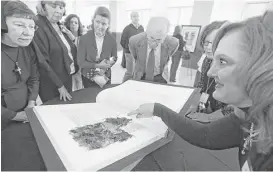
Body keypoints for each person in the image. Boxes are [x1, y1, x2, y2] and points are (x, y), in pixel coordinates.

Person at [128, 11, 273, 171]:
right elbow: (206, 135)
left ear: (261, 68)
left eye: (223, 61)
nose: (211, 71)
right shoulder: (247, 117)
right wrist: (157, 109)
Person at [1, 1, 46, 170]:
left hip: (26, 113)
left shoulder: (27, 49)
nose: (28, 32)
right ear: (3, 25)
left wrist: (31, 103)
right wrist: (15, 116)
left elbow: (34, 78)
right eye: (19, 25)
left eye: (32, 26)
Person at [35, 1, 79, 102]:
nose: (59, 10)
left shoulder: (59, 25)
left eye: (61, 7)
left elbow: (67, 49)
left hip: (67, 76)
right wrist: (60, 85)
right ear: (43, 6)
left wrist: (73, 40)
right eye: (54, 6)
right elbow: (42, 62)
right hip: (53, 83)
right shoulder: (39, 26)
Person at [123, 17, 179, 83]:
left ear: (165, 35)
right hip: (141, 75)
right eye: (152, 38)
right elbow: (135, 56)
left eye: (159, 40)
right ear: (147, 32)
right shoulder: (134, 41)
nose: (154, 43)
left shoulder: (173, 43)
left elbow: (169, 55)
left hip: (160, 77)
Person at [77, 7, 118, 88]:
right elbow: (81, 62)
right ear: (93, 20)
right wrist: (98, 66)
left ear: (108, 25)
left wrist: (107, 65)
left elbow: (114, 57)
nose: (100, 26)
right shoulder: (84, 39)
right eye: (97, 22)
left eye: (104, 24)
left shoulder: (112, 39)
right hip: (88, 77)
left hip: (105, 75)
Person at [64, 14, 84, 91]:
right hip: (69, 68)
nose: (73, 24)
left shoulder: (82, 38)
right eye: (71, 22)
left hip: (80, 68)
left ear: (79, 25)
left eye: (76, 23)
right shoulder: (64, 37)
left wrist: (73, 38)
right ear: (68, 24)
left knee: (80, 86)